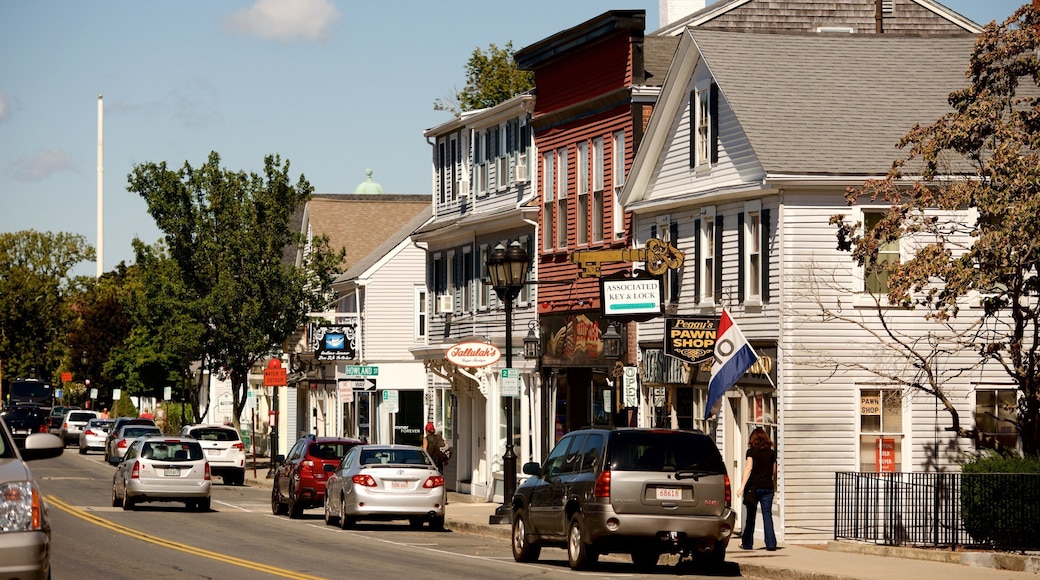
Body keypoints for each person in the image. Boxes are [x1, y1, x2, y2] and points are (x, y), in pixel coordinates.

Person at [738, 427, 778, 551]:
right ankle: (771, 543)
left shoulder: (751, 452)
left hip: (753, 487)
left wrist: (742, 486)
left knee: (751, 516)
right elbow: (774, 471)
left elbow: (748, 468)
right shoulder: (772, 453)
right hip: (768, 487)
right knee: (767, 515)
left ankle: (747, 543)